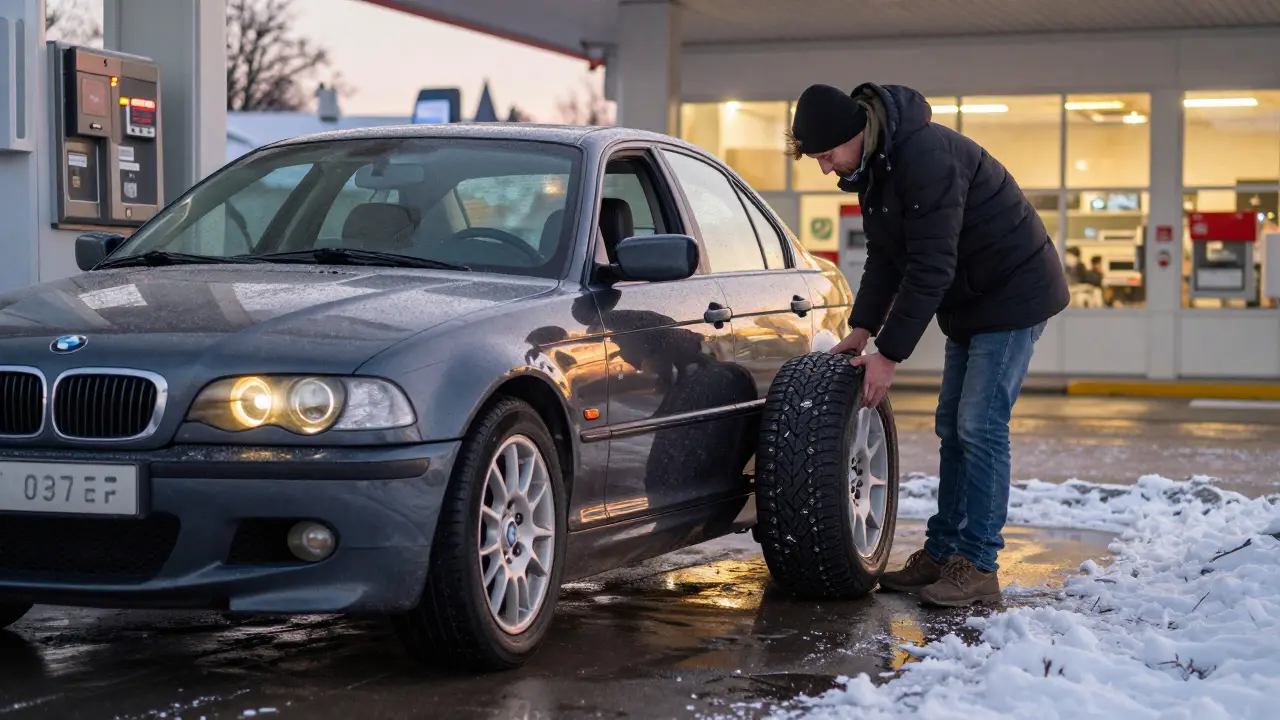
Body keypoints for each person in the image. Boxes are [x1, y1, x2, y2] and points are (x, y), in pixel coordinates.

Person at [786, 83, 1069, 607]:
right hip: (971, 301)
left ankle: (978, 565)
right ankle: (942, 554)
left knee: (979, 425)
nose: (825, 168)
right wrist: (863, 327)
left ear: (852, 134)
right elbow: (886, 257)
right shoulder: (875, 168)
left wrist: (889, 355)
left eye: (826, 155)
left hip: (1013, 294)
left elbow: (931, 267)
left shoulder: (923, 156)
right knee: (951, 425)